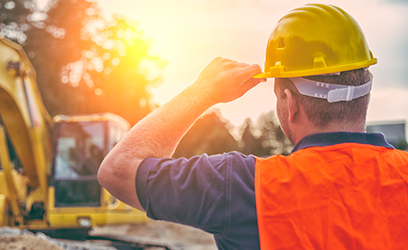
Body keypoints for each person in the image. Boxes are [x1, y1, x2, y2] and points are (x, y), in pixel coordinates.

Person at [98, 3, 408, 250]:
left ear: (290, 103)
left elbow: (118, 170)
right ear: (366, 88)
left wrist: (202, 92)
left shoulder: (243, 186)